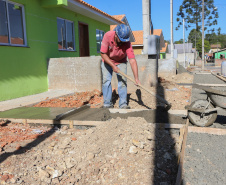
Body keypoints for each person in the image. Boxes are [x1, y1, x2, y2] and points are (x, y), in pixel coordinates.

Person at [100, 24, 140, 109]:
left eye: (124, 40)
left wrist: (136, 78)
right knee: (106, 81)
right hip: (107, 60)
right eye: (120, 39)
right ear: (116, 34)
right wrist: (113, 65)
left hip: (121, 61)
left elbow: (132, 60)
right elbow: (103, 53)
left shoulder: (127, 42)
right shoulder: (108, 35)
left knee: (122, 82)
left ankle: (123, 104)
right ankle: (107, 104)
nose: (122, 42)